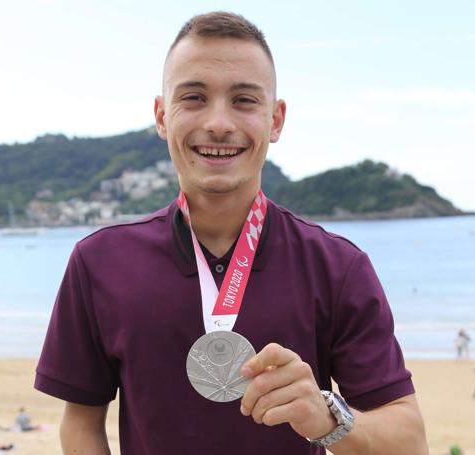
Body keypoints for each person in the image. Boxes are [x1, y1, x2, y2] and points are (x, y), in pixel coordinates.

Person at [35, 11, 427, 455]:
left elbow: (410, 442)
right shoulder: (99, 262)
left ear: (275, 120)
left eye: (243, 100)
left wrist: (326, 416)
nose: (219, 122)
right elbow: (81, 425)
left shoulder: (337, 267)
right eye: (194, 98)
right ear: (162, 116)